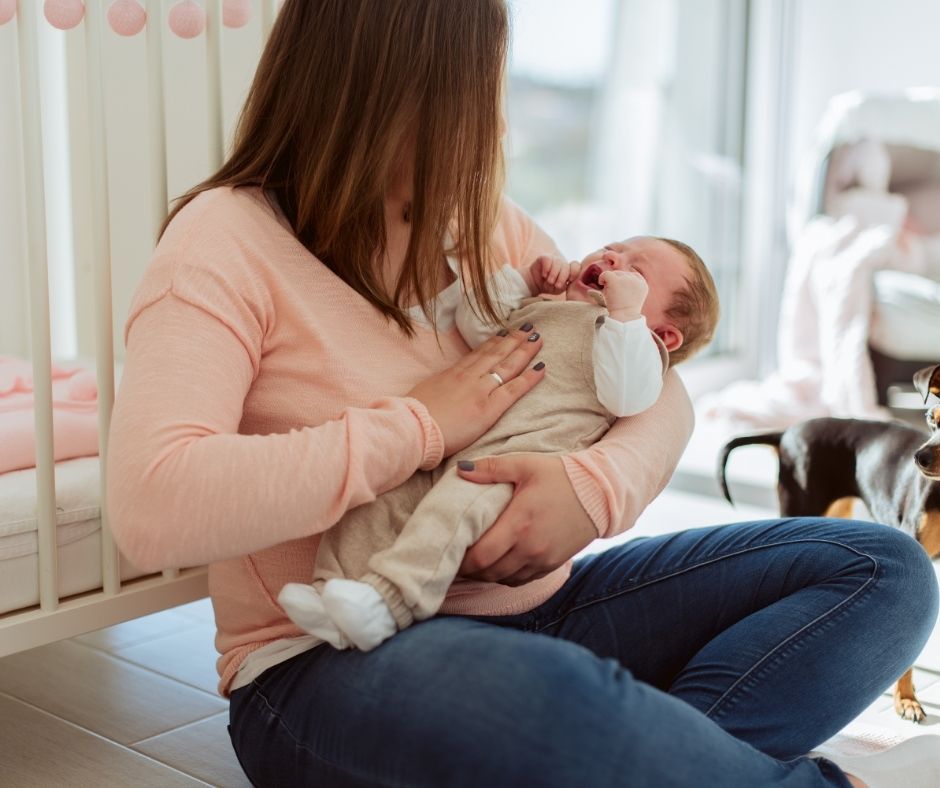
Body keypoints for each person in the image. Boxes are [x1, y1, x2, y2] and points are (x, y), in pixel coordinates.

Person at [106, 1, 938, 786]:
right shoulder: (224, 242)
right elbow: (152, 505)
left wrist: (591, 492)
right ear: (396, 98)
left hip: (549, 607)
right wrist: (423, 424)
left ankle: (639, 760)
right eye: (484, 93)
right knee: (555, 696)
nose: (500, 125)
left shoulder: (480, 225)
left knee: (886, 570)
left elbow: (651, 380)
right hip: (325, 658)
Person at [278, 236, 720, 652]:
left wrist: (625, 315)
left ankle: (390, 601)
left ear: (664, 335)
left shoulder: (636, 349)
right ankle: (333, 592)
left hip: (520, 458)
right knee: (384, 497)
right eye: (613, 248)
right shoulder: (550, 305)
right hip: (458, 441)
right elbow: (477, 321)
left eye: (635, 270)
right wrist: (524, 281)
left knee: (450, 511)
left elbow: (629, 396)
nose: (612, 258)